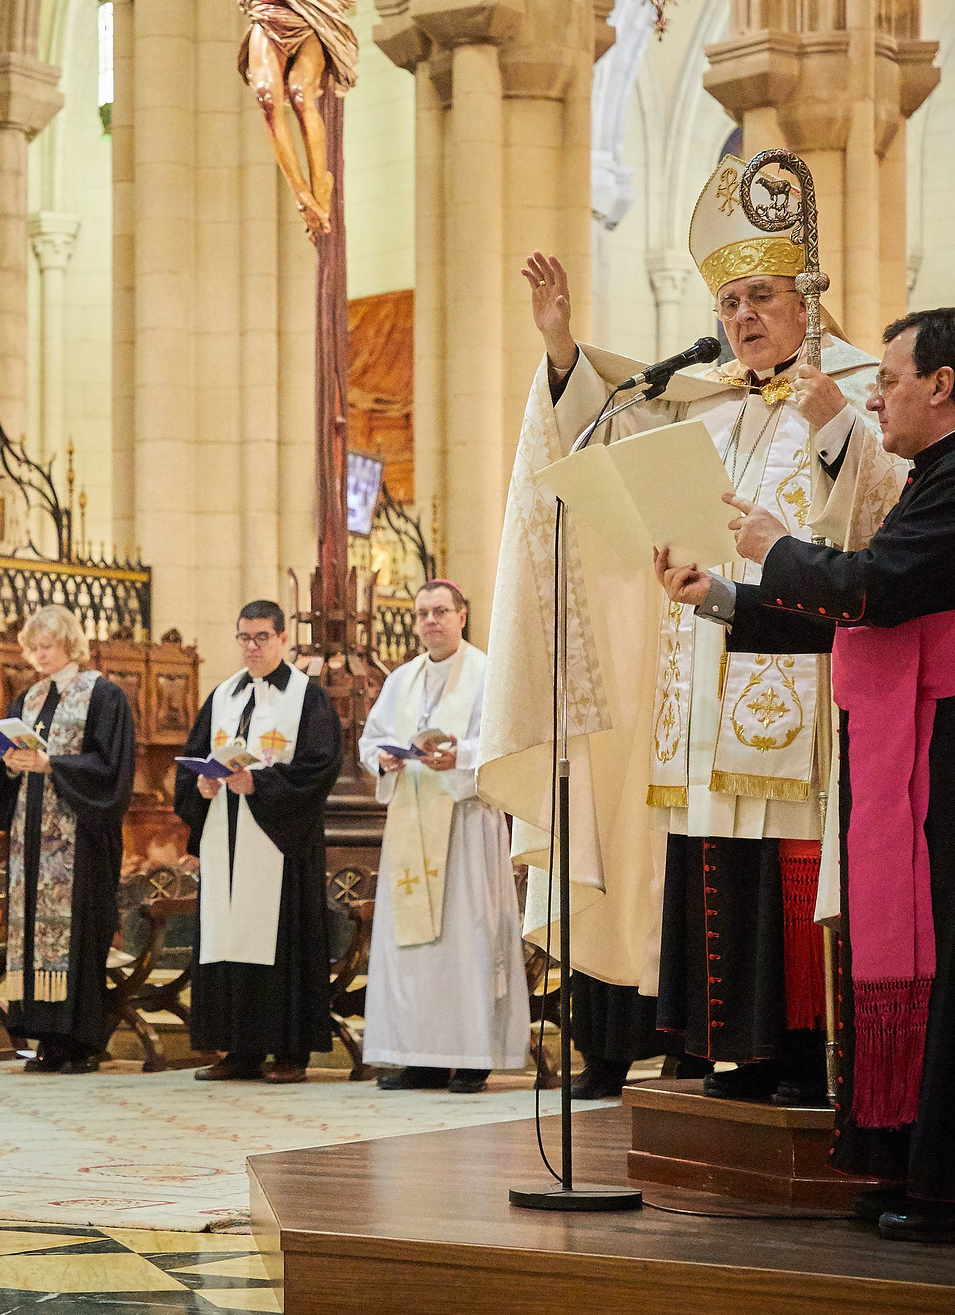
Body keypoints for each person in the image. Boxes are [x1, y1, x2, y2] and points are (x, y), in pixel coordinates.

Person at [657, 307, 955, 1239]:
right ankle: (927, 1165)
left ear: (942, 384)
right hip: (939, 736)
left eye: (890, 378)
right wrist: (724, 598)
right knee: (936, 962)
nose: (877, 394)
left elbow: (872, 587)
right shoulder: (946, 473)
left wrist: (774, 546)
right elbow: (861, 616)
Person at [485, 153, 911, 1109]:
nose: (743, 318)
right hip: (703, 671)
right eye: (728, 303)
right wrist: (562, 350)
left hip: (804, 679)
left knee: (782, 863)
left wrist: (837, 419)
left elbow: (892, 503)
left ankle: (802, 1056)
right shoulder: (710, 399)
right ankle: (732, 1050)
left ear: (807, 298)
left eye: (760, 296)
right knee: (711, 852)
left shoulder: (852, 389)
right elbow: (616, 440)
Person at [359, 581, 527, 1094]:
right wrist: (383, 758)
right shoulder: (400, 679)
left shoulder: (486, 673)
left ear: (462, 615)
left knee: (468, 939)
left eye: (440, 611)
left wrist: (464, 756)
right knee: (416, 948)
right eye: (422, 613)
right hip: (412, 820)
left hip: (466, 823)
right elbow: (369, 740)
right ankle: (421, 1056)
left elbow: (508, 741)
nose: (431, 621)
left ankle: (475, 1054)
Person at [176, 599, 343, 1084]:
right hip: (225, 835)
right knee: (228, 934)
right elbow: (193, 758)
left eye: (262, 638)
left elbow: (320, 768)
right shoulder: (223, 694)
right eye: (244, 638)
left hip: (280, 842)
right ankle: (239, 1048)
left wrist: (262, 786)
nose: (251, 647)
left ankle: (290, 1050)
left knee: (280, 940)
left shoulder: (307, 699)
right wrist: (201, 787)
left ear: (283, 638)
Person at [0, 606, 136, 1073]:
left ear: (70, 645)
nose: (40, 655)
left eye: (48, 646)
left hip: (79, 843)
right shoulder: (26, 700)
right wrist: (7, 765)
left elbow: (112, 771)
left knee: (78, 932)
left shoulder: (102, 696)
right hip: (30, 842)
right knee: (29, 936)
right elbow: (1, 776)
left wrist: (53, 766)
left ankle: (80, 1043)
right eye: (33, 648)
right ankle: (43, 1039)